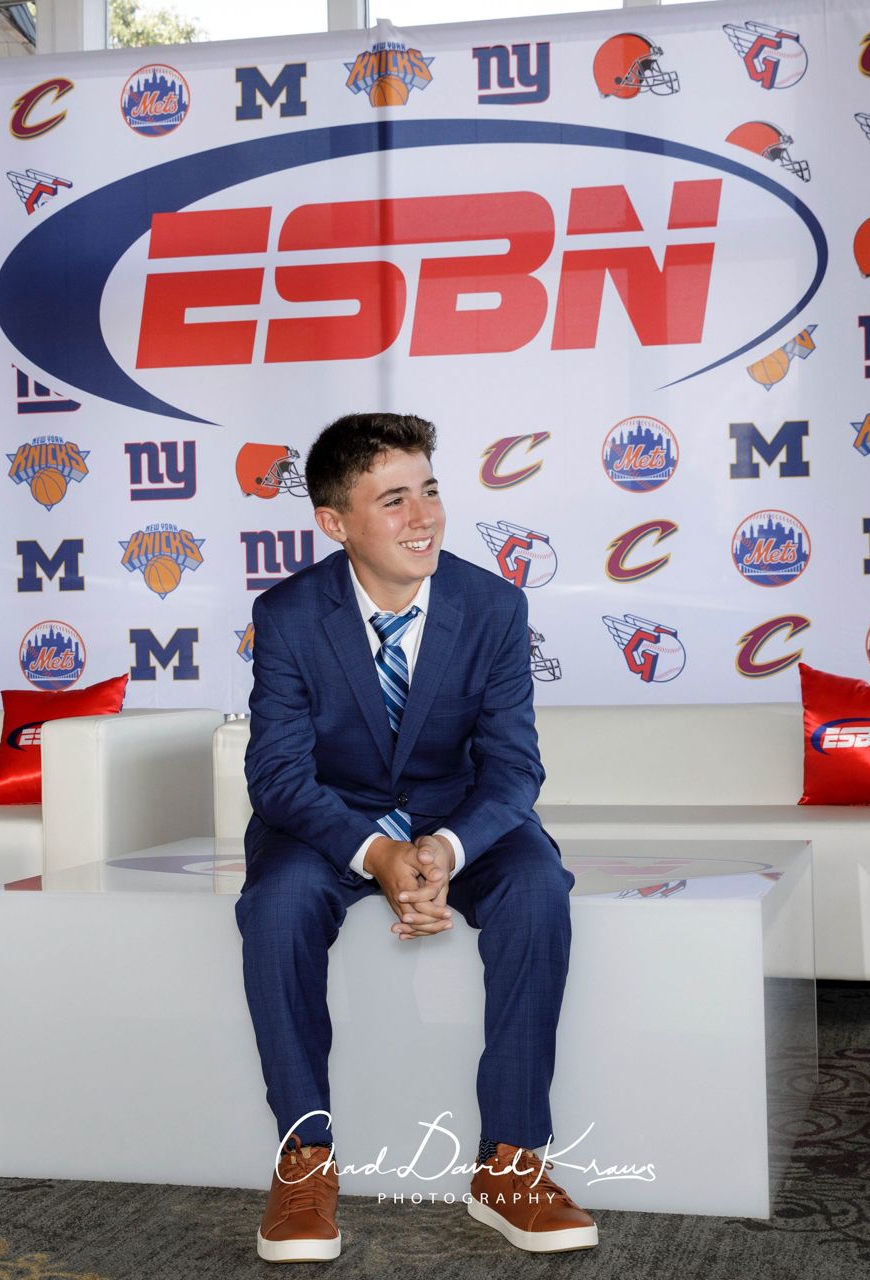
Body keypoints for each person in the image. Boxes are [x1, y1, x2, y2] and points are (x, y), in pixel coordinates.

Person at [237, 412, 596, 1262]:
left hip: (462, 815)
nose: (424, 516)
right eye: (393, 500)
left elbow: (513, 771)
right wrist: (378, 852)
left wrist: (441, 851)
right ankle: (304, 1158)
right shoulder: (287, 615)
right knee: (279, 902)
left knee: (539, 886)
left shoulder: (494, 605)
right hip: (332, 818)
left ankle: (512, 1162)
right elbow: (279, 778)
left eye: (429, 489)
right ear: (335, 523)